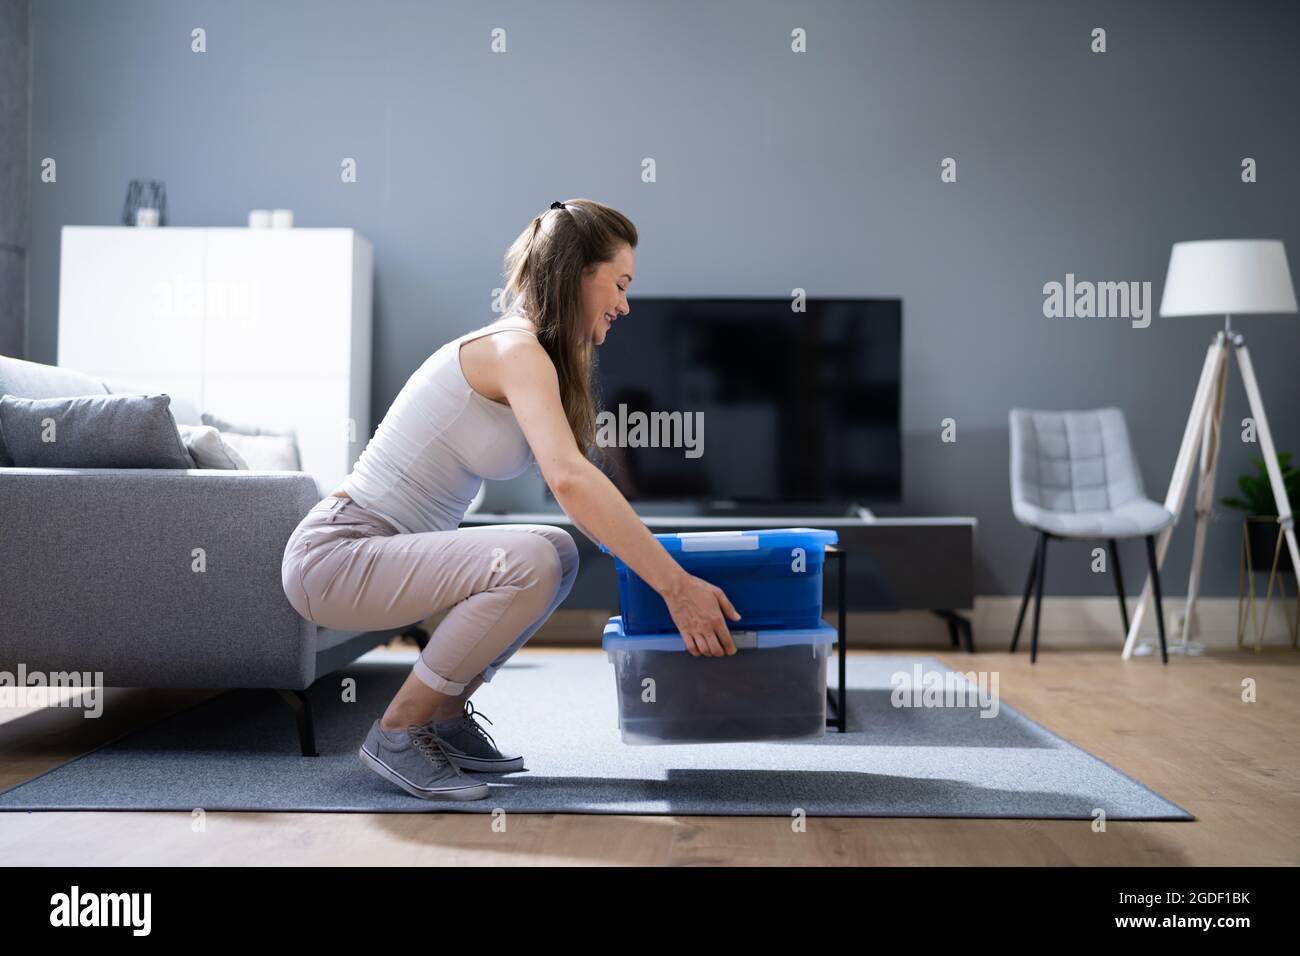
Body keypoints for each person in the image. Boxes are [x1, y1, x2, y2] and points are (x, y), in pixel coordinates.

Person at [280, 199, 740, 802]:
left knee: (557, 550)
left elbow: (582, 484)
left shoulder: (537, 355)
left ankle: (441, 716)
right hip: (338, 554)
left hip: (380, 554)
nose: (625, 304)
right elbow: (571, 482)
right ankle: (396, 733)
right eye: (620, 284)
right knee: (534, 557)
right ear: (579, 272)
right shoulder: (513, 348)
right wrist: (675, 587)